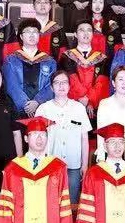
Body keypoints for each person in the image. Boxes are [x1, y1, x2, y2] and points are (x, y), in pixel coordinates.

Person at [36, 69, 91, 200]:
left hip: (73, 165)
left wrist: (84, 165)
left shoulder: (78, 108)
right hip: (49, 164)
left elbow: (84, 138)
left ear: (69, 86)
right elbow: (36, 139)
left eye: (64, 82)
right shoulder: (43, 109)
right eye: (57, 83)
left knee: (71, 202)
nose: (61, 86)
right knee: (51, 202)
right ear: (51, 87)